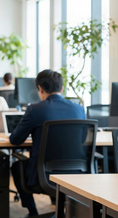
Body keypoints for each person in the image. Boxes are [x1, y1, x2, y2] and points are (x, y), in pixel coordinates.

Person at [9, 69, 85, 217]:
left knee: (17, 166)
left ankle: (33, 212)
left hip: (43, 175)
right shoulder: (79, 109)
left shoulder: (35, 110)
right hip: (77, 173)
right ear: (62, 88)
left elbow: (15, 140)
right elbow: (80, 140)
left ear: (40, 89)